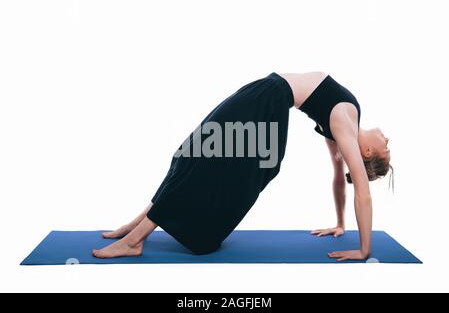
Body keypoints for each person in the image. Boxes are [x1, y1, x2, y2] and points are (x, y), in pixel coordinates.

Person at [92, 72, 393, 262]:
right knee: (191, 154)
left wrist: (365, 250)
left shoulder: (345, 119)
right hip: (267, 98)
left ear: (367, 152)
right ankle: (136, 226)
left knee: (202, 160)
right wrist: (340, 224)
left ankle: (134, 241)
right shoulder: (346, 126)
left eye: (386, 148)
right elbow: (339, 179)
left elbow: (361, 192)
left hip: (268, 102)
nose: (388, 139)